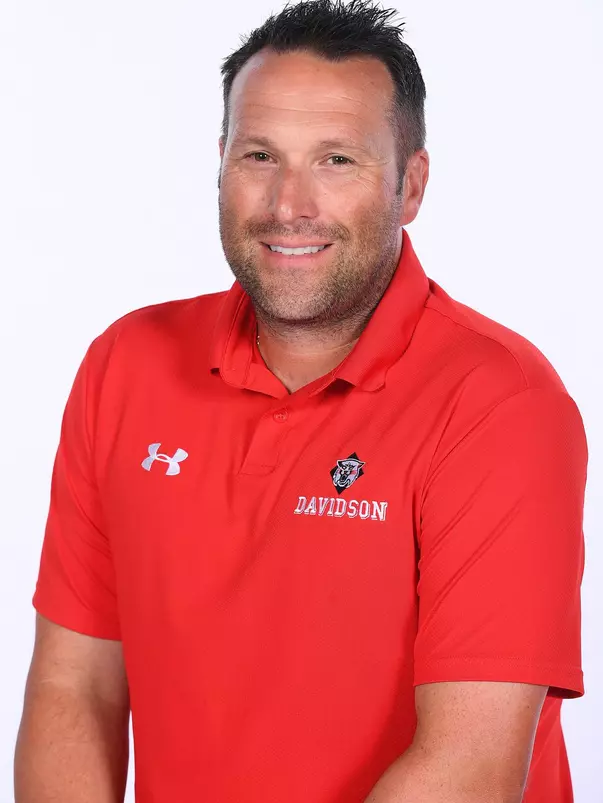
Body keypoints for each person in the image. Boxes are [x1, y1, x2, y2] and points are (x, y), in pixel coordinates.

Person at [14, 1, 589, 801]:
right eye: (259, 155)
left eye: (336, 161)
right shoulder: (125, 366)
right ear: (219, 163)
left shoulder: (498, 403)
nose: (289, 204)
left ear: (410, 183)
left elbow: (469, 770)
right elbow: (76, 688)